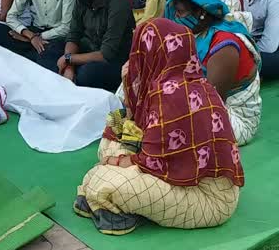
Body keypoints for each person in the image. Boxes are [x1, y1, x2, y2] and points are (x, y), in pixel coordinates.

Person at [74, 19, 243, 235]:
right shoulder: (161, 83)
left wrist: (114, 162)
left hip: (207, 199)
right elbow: (130, 128)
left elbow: (151, 162)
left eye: (141, 50)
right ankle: (108, 198)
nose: (135, 58)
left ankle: (110, 202)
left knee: (105, 185)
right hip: (173, 176)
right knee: (107, 153)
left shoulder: (174, 94)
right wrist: (130, 88)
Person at [166, 0, 261, 146]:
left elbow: (210, 103)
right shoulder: (197, 32)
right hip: (205, 102)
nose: (176, 17)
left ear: (202, 12)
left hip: (233, 117)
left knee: (169, 119)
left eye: (181, 12)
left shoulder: (224, 43)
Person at [59, 0, 135, 91]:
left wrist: (69, 59)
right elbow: (73, 35)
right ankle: (69, 77)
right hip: (86, 51)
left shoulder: (118, 5)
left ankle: (70, 82)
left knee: (87, 74)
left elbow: (106, 54)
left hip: (112, 62)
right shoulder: (82, 0)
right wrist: (69, 65)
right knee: (49, 49)